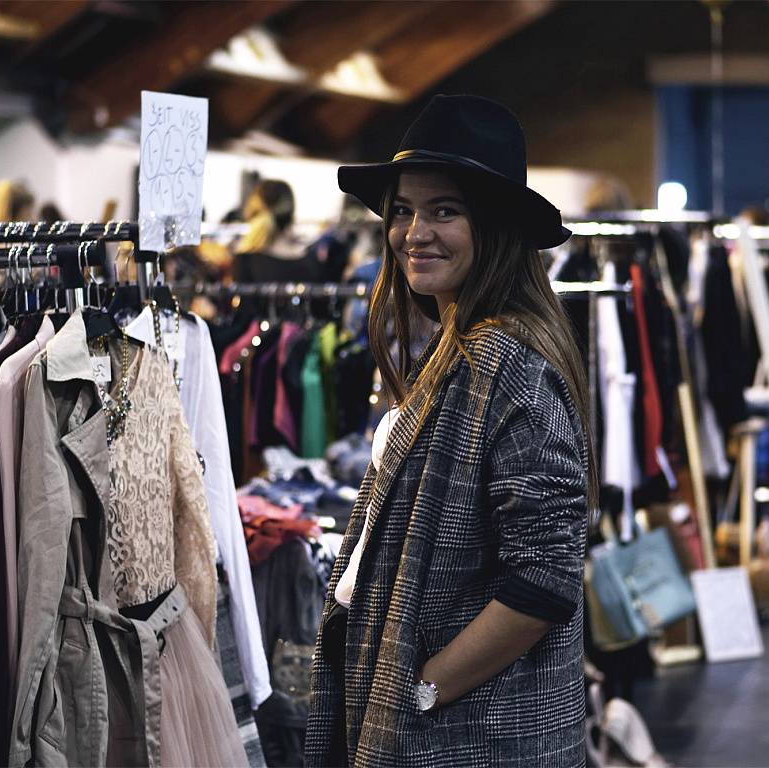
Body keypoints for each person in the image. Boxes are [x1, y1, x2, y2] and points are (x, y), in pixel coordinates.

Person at [305, 94, 596, 767]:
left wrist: (423, 691)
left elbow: (545, 579)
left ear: (493, 224)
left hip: (469, 738)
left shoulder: (508, 363)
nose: (414, 232)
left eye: (444, 211)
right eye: (403, 210)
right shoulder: (458, 344)